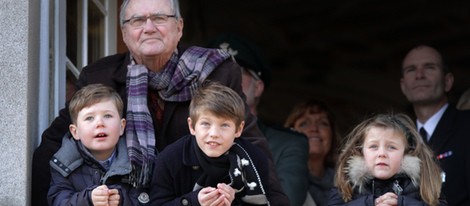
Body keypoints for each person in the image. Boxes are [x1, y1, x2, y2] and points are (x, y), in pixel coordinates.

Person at [31, 0, 289, 205]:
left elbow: (248, 144)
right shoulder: (100, 77)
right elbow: (54, 145)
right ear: (124, 32)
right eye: (138, 20)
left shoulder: (215, 71)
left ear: (179, 28)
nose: (149, 27)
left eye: (159, 18)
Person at [207, 32, 310, 206]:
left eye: (235, 71)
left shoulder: (288, 144)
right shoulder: (188, 136)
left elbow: (288, 201)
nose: (223, 80)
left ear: (258, 88)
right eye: (214, 73)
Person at [149, 82, 271, 205]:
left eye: (224, 125)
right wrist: (193, 201)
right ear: (192, 126)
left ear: (238, 129)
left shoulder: (254, 160)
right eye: (206, 124)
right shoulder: (170, 159)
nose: (214, 133)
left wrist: (232, 203)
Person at [400, 45, 470, 206]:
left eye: (429, 67)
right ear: (403, 86)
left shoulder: (467, 126)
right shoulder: (396, 139)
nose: (419, 75)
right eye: (411, 69)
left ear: (447, 81)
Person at [328, 113, 446, 206]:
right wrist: (371, 203)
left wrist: (401, 203)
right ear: (361, 152)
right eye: (373, 146)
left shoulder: (423, 185)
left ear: (406, 153)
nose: (382, 154)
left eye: (391, 147)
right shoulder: (346, 185)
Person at [47, 84, 137, 206]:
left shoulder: (139, 160)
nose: (100, 123)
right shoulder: (63, 164)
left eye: (107, 116)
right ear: (75, 131)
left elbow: (151, 199)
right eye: (89, 118)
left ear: (122, 126)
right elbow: (58, 201)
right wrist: (87, 199)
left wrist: (122, 201)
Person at [284, 99, 340, 206]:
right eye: (304, 124)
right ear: (290, 135)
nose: (314, 128)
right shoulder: (278, 182)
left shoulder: (349, 186)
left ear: (333, 136)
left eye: (323, 123)